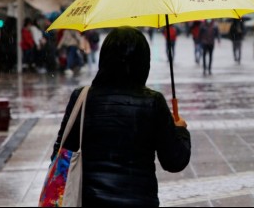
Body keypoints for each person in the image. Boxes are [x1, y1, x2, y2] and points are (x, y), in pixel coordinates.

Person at [50, 27, 191, 206]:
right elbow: (174, 161)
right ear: (143, 62)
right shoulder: (153, 102)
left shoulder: (82, 98)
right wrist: (180, 130)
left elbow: (60, 154)